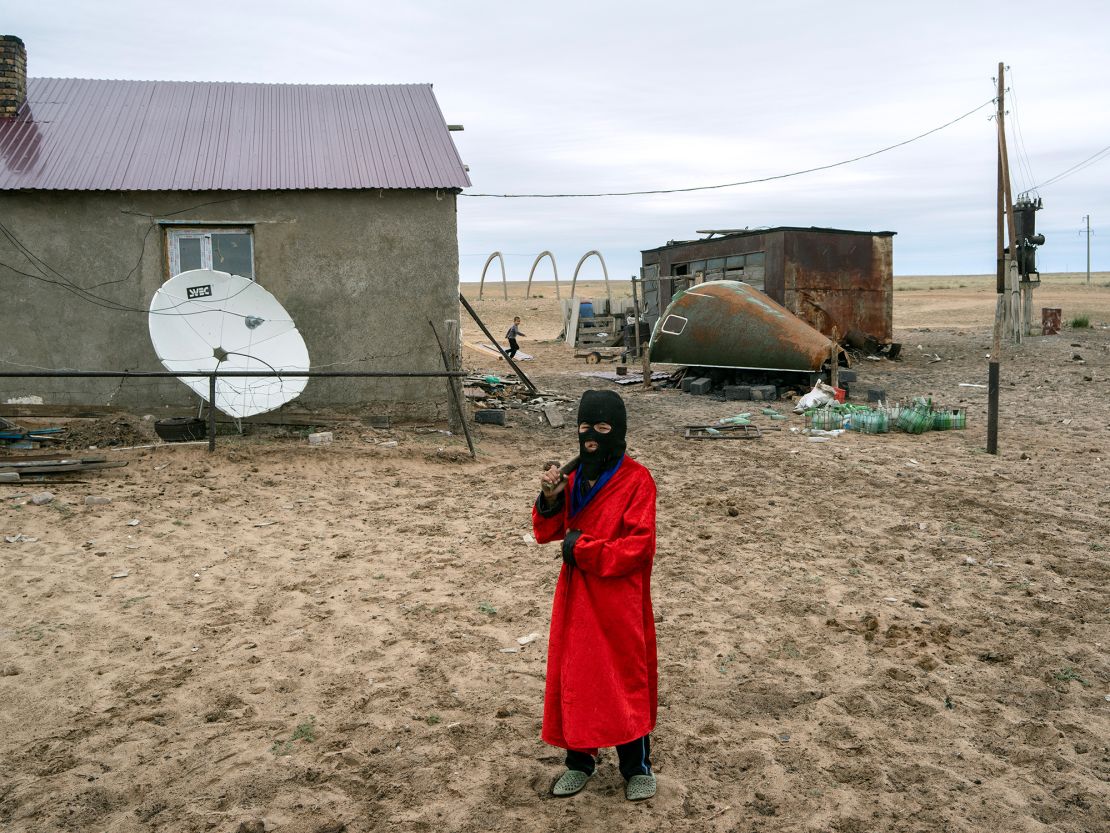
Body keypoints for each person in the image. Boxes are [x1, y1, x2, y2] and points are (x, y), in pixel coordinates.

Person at [533, 389, 659, 802]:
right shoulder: (573, 478)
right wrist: (551, 499)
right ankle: (579, 762)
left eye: (602, 429)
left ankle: (636, 767)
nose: (592, 438)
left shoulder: (637, 480)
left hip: (618, 598)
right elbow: (548, 532)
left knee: (624, 678)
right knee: (579, 675)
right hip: (576, 598)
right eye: (585, 428)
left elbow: (638, 548)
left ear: (618, 431)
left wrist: (581, 549)